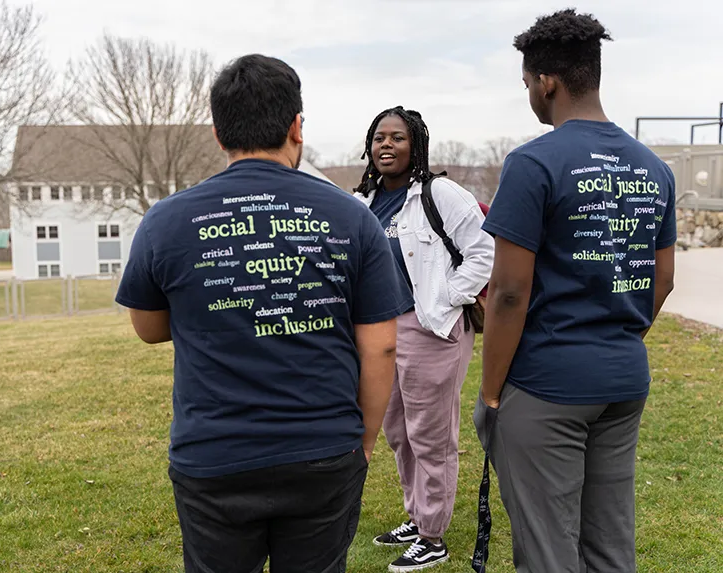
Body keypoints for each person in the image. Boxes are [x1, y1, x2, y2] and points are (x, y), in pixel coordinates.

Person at [116, 54, 411, 573]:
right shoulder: (352, 216)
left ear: (217, 132)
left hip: (214, 455)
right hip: (323, 450)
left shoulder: (166, 219)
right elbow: (381, 345)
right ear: (297, 126)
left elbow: (148, 328)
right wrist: (363, 440)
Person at [475, 9, 677, 573]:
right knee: (610, 546)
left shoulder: (533, 162)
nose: (530, 98)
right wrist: (616, 336)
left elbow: (509, 294)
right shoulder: (653, 168)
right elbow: (662, 280)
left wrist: (491, 395)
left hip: (547, 386)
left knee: (547, 551)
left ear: (547, 83)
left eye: (527, 86)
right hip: (623, 378)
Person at [353, 107, 494, 571]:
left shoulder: (441, 194)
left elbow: (484, 251)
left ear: (416, 144)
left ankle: (433, 536)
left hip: (433, 326)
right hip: (384, 328)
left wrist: (450, 297)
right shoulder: (364, 200)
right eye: (379, 138)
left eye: (397, 137)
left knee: (431, 435)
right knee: (398, 431)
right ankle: (417, 517)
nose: (386, 145)